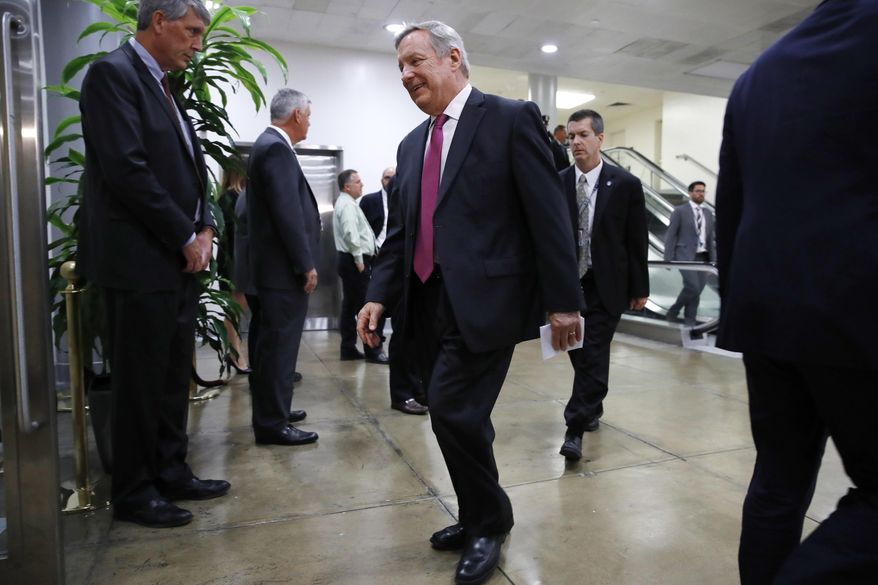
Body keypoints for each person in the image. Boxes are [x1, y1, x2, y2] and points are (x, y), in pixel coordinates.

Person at [357, 21, 582, 585]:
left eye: (415, 61)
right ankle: (478, 512)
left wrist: (564, 302)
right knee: (457, 416)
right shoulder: (412, 145)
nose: (406, 75)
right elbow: (402, 233)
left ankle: (491, 522)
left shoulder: (509, 119)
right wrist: (378, 296)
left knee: (454, 408)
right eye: (400, 68)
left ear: (453, 57)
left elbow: (548, 215)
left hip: (488, 301)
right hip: (426, 303)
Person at [716, 1, 878, 583]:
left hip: (765, 314)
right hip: (856, 308)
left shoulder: (757, 74)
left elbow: (731, 203)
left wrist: (738, 307)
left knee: (778, 483)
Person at [77, 0, 230, 528]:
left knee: (170, 377)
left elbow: (193, 166)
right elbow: (127, 170)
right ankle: (135, 491)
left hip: (176, 262)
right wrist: (184, 233)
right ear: (158, 21)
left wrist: (206, 224)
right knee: (140, 380)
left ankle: (171, 470)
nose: (197, 44)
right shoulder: (111, 76)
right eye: (190, 31)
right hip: (140, 261)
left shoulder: (167, 88)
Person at [559, 109, 649, 462]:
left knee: (594, 352)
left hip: (606, 284)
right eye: (571, 137)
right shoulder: (558, 181)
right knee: (580, 353)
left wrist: (640, 287)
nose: (576, 142)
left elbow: (636, 240)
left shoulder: (624, 184)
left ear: (600, 138)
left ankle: (574, 428)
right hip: (568, 285)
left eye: (582, 135)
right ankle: (592, 403)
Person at [247, 88, 320, 446]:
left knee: (270, 346)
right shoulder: (276, 148)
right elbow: (286, 213)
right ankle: (273, 423)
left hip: (271, 271)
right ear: (296, 116)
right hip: (281, 272)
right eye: (308, 114)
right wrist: (304, 263)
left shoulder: (267, 145)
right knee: (279, 347)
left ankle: (274, 410)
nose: (309, 121)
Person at [360, 170, 428, 415]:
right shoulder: (400, 185)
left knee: (420, 338)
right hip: (401, 272)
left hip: (428, 275)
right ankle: (401, 394)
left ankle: (418, 386)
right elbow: (393, 239)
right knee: (403, 337)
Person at [332, 169, 386, 363]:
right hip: (355, 260)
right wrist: (359, 260)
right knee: (365, 304)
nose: (361, 184)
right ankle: (373, 351)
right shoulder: (347, 205)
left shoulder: (347, 203)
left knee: (349, 306)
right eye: (358, 181)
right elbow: (351, 234)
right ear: (347, 186)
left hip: (350, 260)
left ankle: (348, 348)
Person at [663, 181, 716, 326]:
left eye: (703, 191)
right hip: (684, 256)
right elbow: (671, 235)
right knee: (693, 287)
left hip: (703, 258)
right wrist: (667, 259)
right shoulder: (680, 211)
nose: (701, 194)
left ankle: (689, 321)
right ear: (690, 193)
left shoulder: (707, 213)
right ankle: (673, 312)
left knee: (696, 290)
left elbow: (710, 239)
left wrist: (713, 261)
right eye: (698, 191)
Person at [217, 166, 251, 374]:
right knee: (235, 309)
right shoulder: (233, 198)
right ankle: (236, 355)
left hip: (231, 259)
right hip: (234, 260)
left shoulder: (227, 198)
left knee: (236, 308)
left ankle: (236, 353)